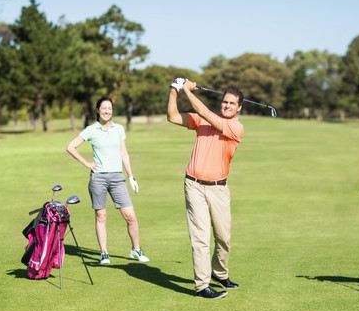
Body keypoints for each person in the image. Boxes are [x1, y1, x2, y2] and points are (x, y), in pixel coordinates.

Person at [167, 78, 244, 299]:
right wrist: (174, 90)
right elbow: (172, 116)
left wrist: (187, 90)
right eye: (224, 102)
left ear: (239, 107)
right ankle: (202, 286)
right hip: (194, 185)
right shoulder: (203, 120)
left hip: (219, 189)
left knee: (223, 237)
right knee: (200, 237)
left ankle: (219, 273)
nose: (227, 105)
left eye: (231, 103)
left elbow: (202, 109)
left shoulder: (235, 127)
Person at [66, 97, 149, 264]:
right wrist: (87, 163)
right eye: (103, 108)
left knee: (130, 216)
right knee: (101, 215)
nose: (106, 111)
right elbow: (70, 147)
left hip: (118, 178)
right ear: (98, 110)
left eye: (109, 108)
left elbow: (124, 153)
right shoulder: (91, 130)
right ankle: (104, 253)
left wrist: (131, 175)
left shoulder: (119, 129)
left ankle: (136, 250)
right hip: (99, 178)